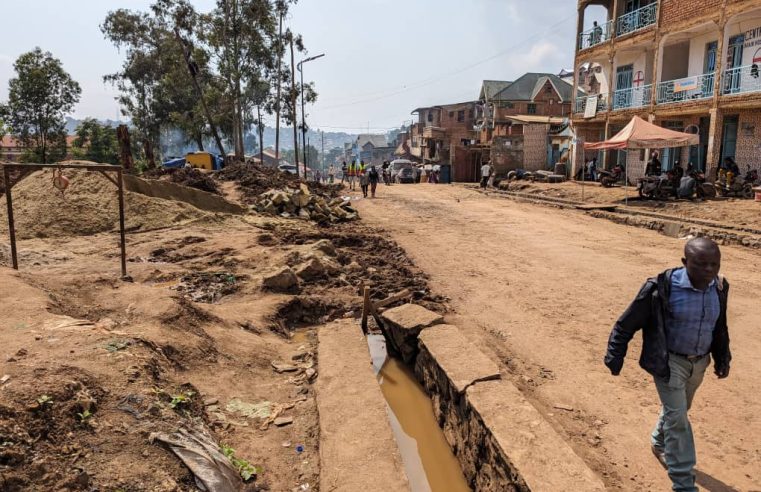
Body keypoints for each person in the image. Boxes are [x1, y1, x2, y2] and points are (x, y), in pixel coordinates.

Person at [604, 238, 731, 492]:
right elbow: (627, 323)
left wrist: (722, 356)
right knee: (678, 418)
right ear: (685, 263)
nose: (708, 270)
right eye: (701, 264)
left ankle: (658, 441)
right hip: (669, 361)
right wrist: (614, 355)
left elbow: (718, 325)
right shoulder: (661, 288)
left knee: (680, 409)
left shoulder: (719, 286)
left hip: (699, 362)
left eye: (714, 264)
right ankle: (683, 484)